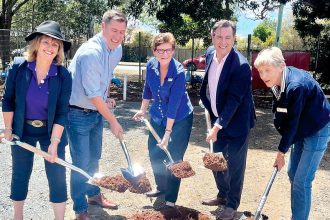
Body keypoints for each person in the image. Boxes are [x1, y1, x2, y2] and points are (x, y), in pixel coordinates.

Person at [1, 21, 72, 220]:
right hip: (22, 129)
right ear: (37, 44)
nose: (50, 48)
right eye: (46, 42)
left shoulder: (63, 75)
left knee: (57, 175)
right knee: (20, 174)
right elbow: (7, 101)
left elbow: (62, 111)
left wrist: (55, 142)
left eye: (55, 45)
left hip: (52, 132)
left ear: (59, 50)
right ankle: (18, 217)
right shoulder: (18, 68)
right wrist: (8, 128)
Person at [254, 47, 330, 220]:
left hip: (318, 128)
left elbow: (293, 122)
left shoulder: (296, 86)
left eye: (267, 70)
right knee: (293, 174)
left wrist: (281, 152)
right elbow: (283, 114)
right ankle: (298, 213)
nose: (263, 75)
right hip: (302, 126)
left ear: (281, 66)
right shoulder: (276, 82)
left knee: (302, 181)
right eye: (260, 71)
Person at [66, 9, 126, 220]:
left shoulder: (116, 50)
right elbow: (92, 94)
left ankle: (93, 195)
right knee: (81, 163)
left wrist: (106, 96)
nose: (118, 36)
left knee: (94, 159)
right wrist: (113, 121)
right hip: (77, 114)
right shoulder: (91, 53)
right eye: (114, 31)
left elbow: (106, 78)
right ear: (103, 27)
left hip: (95, 113)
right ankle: (80, 209)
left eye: (122, 32)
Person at [199, 20, 255, 220]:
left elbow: (234, 100)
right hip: (217, 118)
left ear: (234, 39)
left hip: (238, 123)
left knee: (235, 165)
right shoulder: (209, 53)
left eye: (228, 37)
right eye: (219, 37)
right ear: (212, 37)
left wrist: (217, 126)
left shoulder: (241, 66)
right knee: (216, 161)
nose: (223, 42)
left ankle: (232, 204)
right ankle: (222, 195)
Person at [133, 32, 193, 208]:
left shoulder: (179, 72)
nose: (164, 54)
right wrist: (143, 109)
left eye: (168, 50)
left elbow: (174, 104)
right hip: (158, 116)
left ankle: (171, 200)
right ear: (154, 51)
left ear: (173, 50)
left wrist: (168, 133)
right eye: (160, 50)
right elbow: (147, 89)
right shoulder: (151, 65)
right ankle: (161, 187)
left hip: (180, 118)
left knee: (174, 158)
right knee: (154, 152)